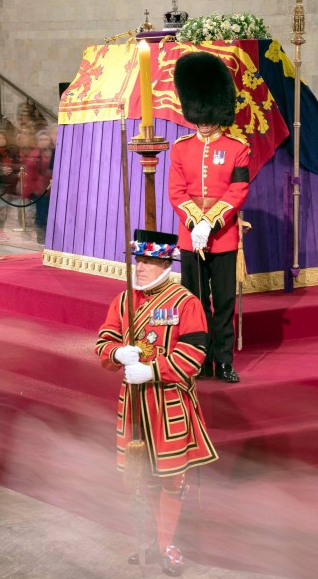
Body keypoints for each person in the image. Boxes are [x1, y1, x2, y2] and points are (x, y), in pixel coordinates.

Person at [94, 229, 218, 577]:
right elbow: (103, 342)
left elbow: (194, 357)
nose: (142, 267)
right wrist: (116, 352)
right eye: (139, 260)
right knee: (143, 477)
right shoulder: (123, 301)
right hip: (133, 404)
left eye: (149, 261)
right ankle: (152, 539)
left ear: (166, 263)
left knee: (170, 478)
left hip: (169, 405)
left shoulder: (186, 303)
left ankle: (167, 543)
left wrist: (152, 370)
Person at [168, 51, 249, 384]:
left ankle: (224, 361)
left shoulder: (237, 147)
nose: (202, 121)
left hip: (223, 236)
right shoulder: (180, 147)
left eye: (207, 114)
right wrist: (193, 223)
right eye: (198, 114)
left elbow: (239, 189)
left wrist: (210, 222)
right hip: (190, 238)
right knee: (195, 302)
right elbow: (176, 192)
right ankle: (198, 359)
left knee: (225, 303)